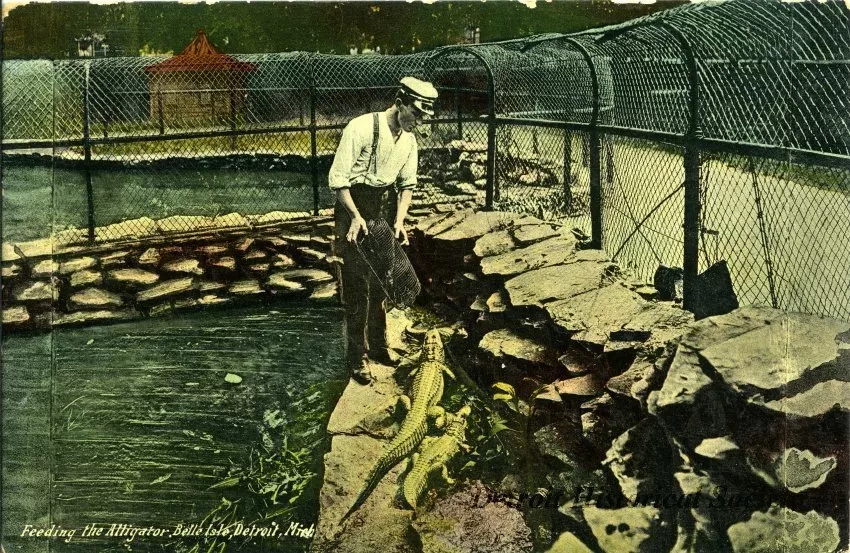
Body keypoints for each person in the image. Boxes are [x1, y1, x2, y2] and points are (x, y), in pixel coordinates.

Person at [329, 77, 438, 384]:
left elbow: (406, 186)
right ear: (400, 102)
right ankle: (358, 357)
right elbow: (338, 180)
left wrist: (399, 221)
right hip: (353, 207)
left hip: (384, 210)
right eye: (415, 114)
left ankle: (379, 347)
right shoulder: (360, 128)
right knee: (357, 287)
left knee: (382, 282)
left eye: (424, 117)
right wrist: (354, 216)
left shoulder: (409, 140)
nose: (418, 122)